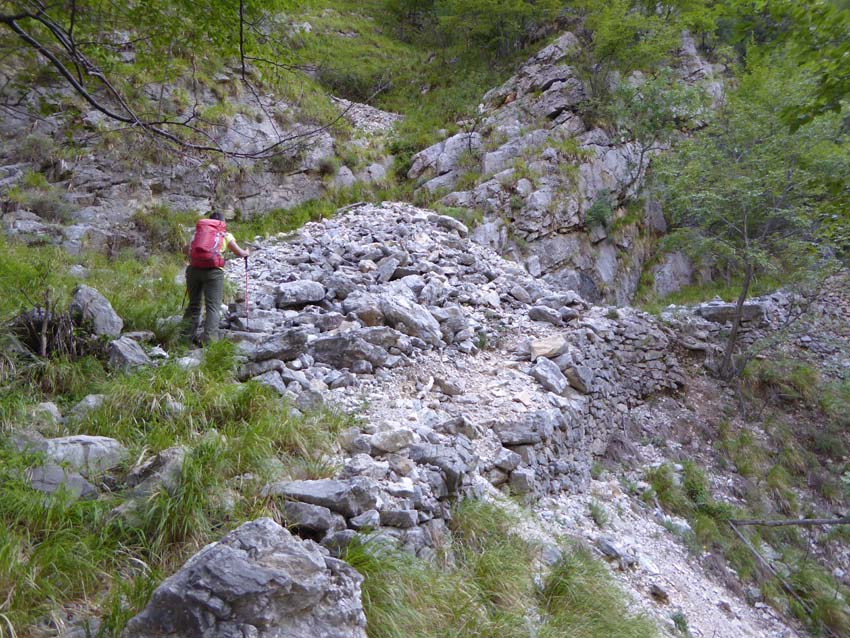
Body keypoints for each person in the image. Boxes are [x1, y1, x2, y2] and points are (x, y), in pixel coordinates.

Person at [181, 211, 249, 345]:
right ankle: (210, 341)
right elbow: (239, 253)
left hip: (193, 270)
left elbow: (185, 250)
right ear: (222, 223)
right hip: (213, 272)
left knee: (194, 305)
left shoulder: (198, 233)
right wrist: (247, 252)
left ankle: (185, 338)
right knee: (212, 307)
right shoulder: (225, 234)